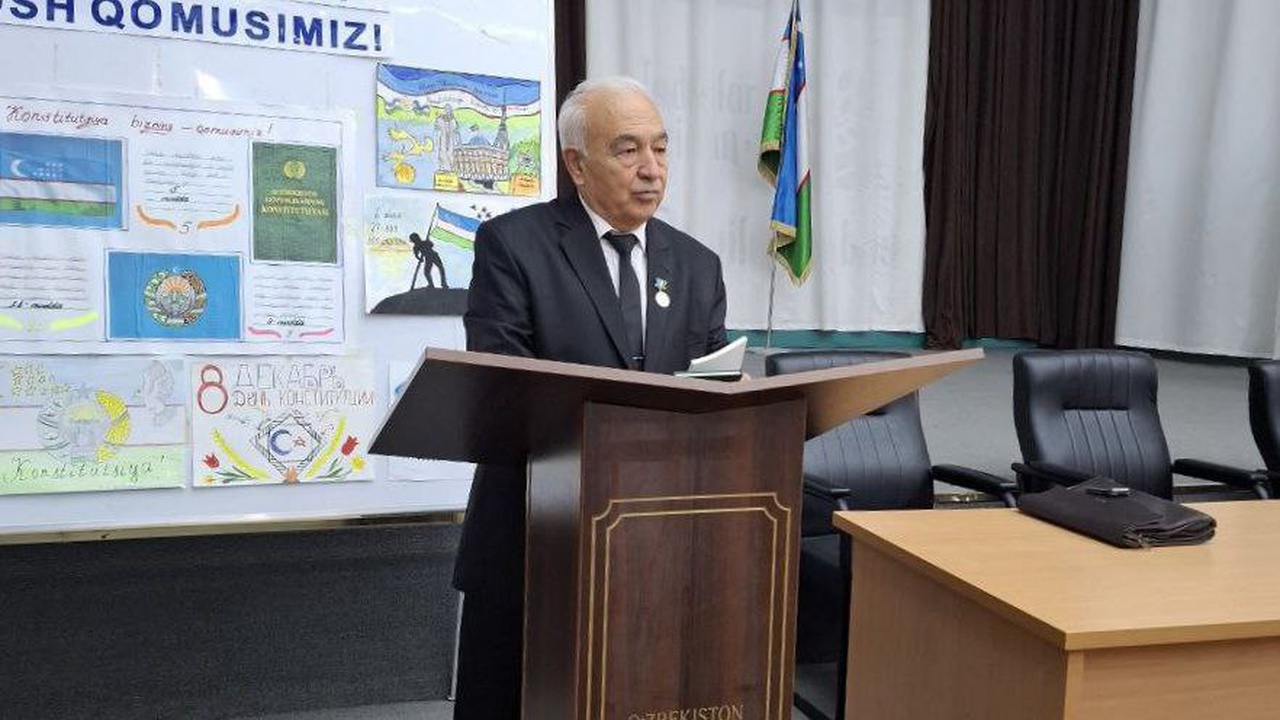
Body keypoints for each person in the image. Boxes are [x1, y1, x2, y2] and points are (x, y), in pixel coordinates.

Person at [453, 76, 728, 719]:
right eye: (628, 150)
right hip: (536, 537)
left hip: (658, 540)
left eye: (661, 148)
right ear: (577, 164)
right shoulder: (513, 245)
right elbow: (504, 390)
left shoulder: (698, 266)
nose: (652, 169)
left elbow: (714, 392)